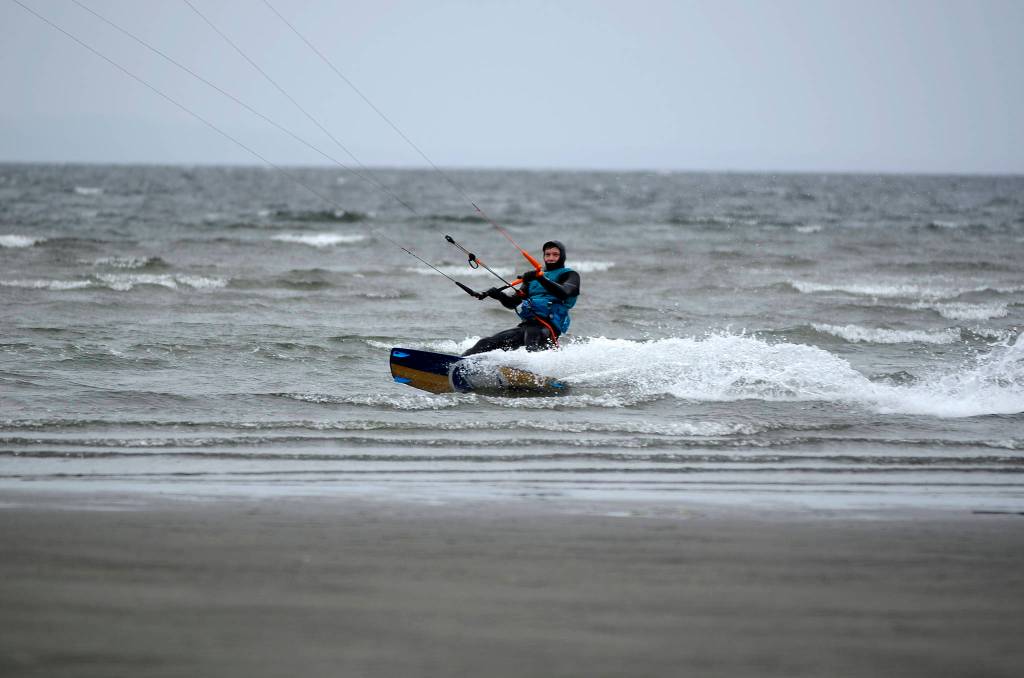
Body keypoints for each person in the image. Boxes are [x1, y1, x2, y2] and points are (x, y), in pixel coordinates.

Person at [462, 240, 580, 356]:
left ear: (562, 256)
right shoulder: (534, 278)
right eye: (547, 254)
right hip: (527, 326)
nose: (551, 258)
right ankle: (459, 362)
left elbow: (565, 293)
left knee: (532, 339)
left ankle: (536, 368)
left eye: (555, 254)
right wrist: (498, 295)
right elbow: (512, 303)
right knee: (485, 343)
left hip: (548, 329)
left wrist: (540, 278)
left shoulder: (570, 275)